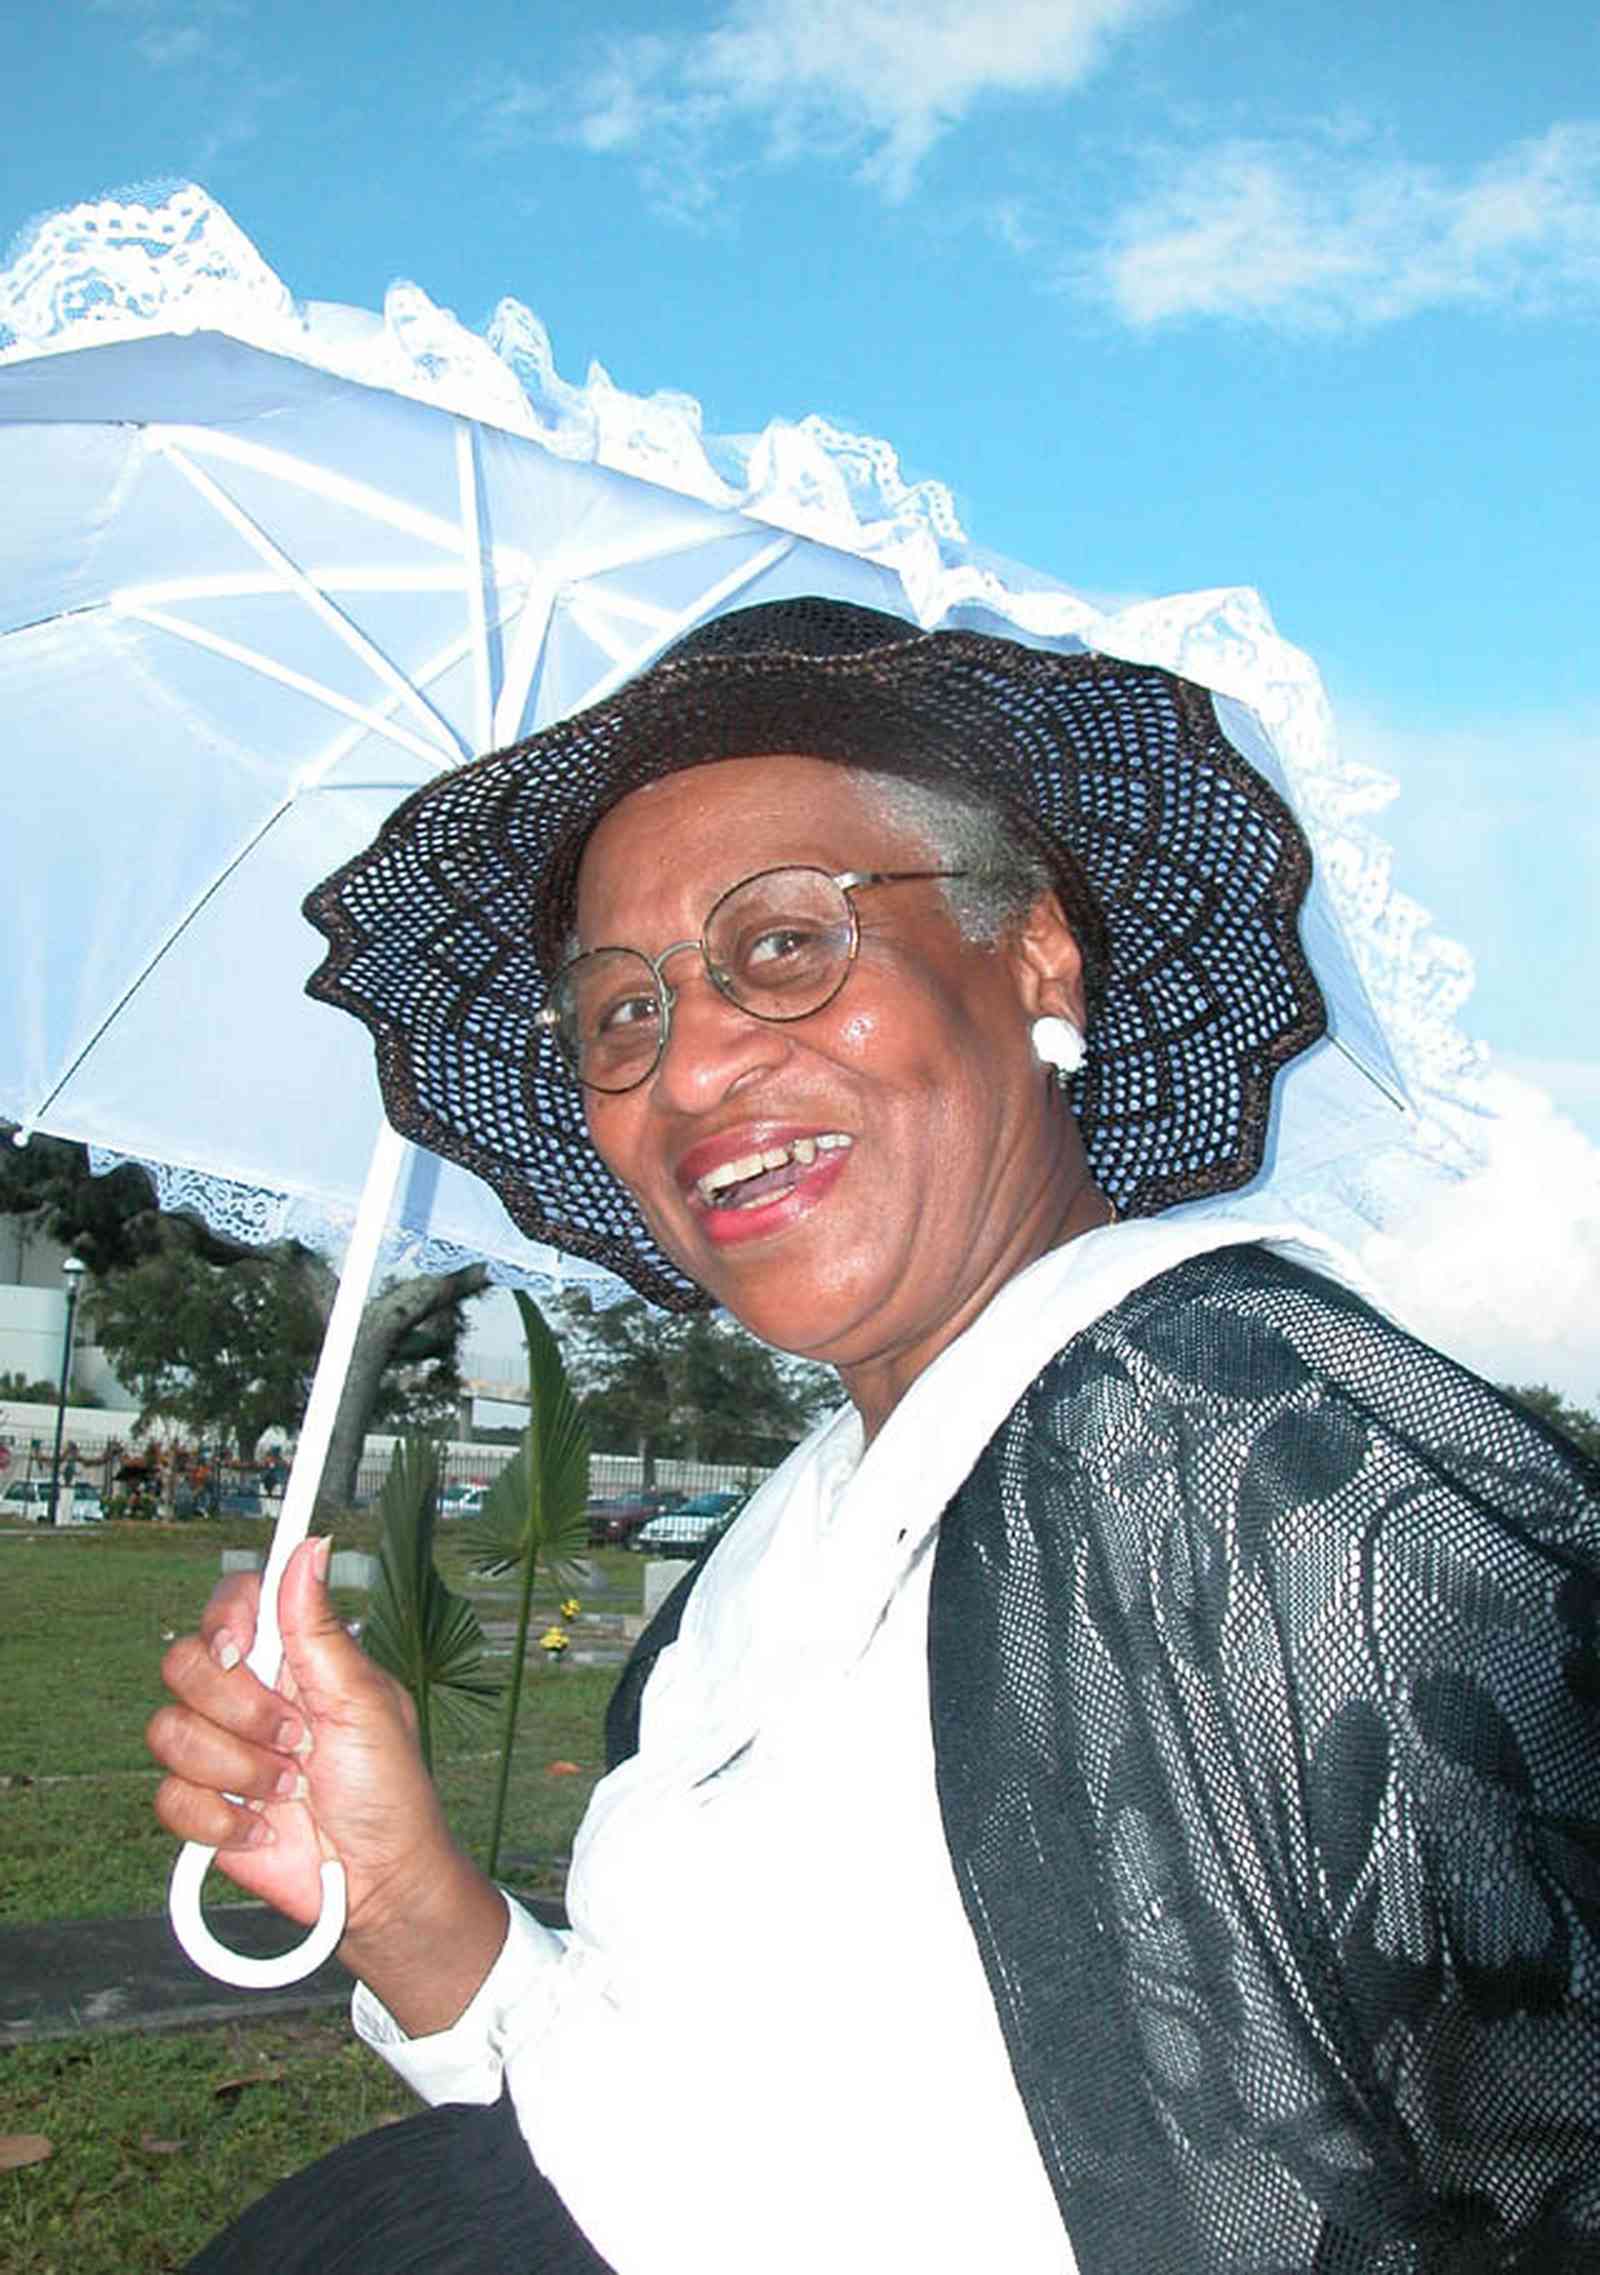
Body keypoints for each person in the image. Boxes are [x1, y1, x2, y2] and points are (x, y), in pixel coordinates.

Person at [149, 599, 1600, 2274]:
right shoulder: (785, 1539)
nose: (687, 1065)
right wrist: (413, 1912)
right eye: (618, 1013)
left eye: (783, 945)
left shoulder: (1276, 1476)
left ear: (1035, 953)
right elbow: (703, 2133)